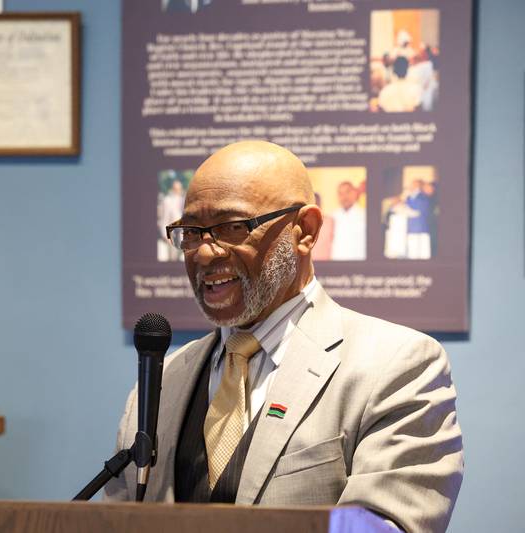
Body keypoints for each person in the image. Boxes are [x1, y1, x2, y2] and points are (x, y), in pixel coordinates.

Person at [104, 141, 463, 533]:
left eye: (232, 227)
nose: (204, 254)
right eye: (191, 232)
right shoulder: (161, 383)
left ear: (305, 231)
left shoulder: (396, 366)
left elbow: (385, 525)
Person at [330, 181, 366, 260]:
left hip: (359, 262)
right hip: (337, 262)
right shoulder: (332, 216)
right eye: (341, 194)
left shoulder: (365, 215)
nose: (344, 197)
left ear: (354, 193)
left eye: (347, 192)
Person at [404, 179, 434, 259]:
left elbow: (420, 211)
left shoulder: (423, 197)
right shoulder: (409, 197)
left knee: (423, 253)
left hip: (421, 228)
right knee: (412, 252)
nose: (410, 186)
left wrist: (409, 211)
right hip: (411, 228)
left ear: (418, 186)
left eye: (413, 185)